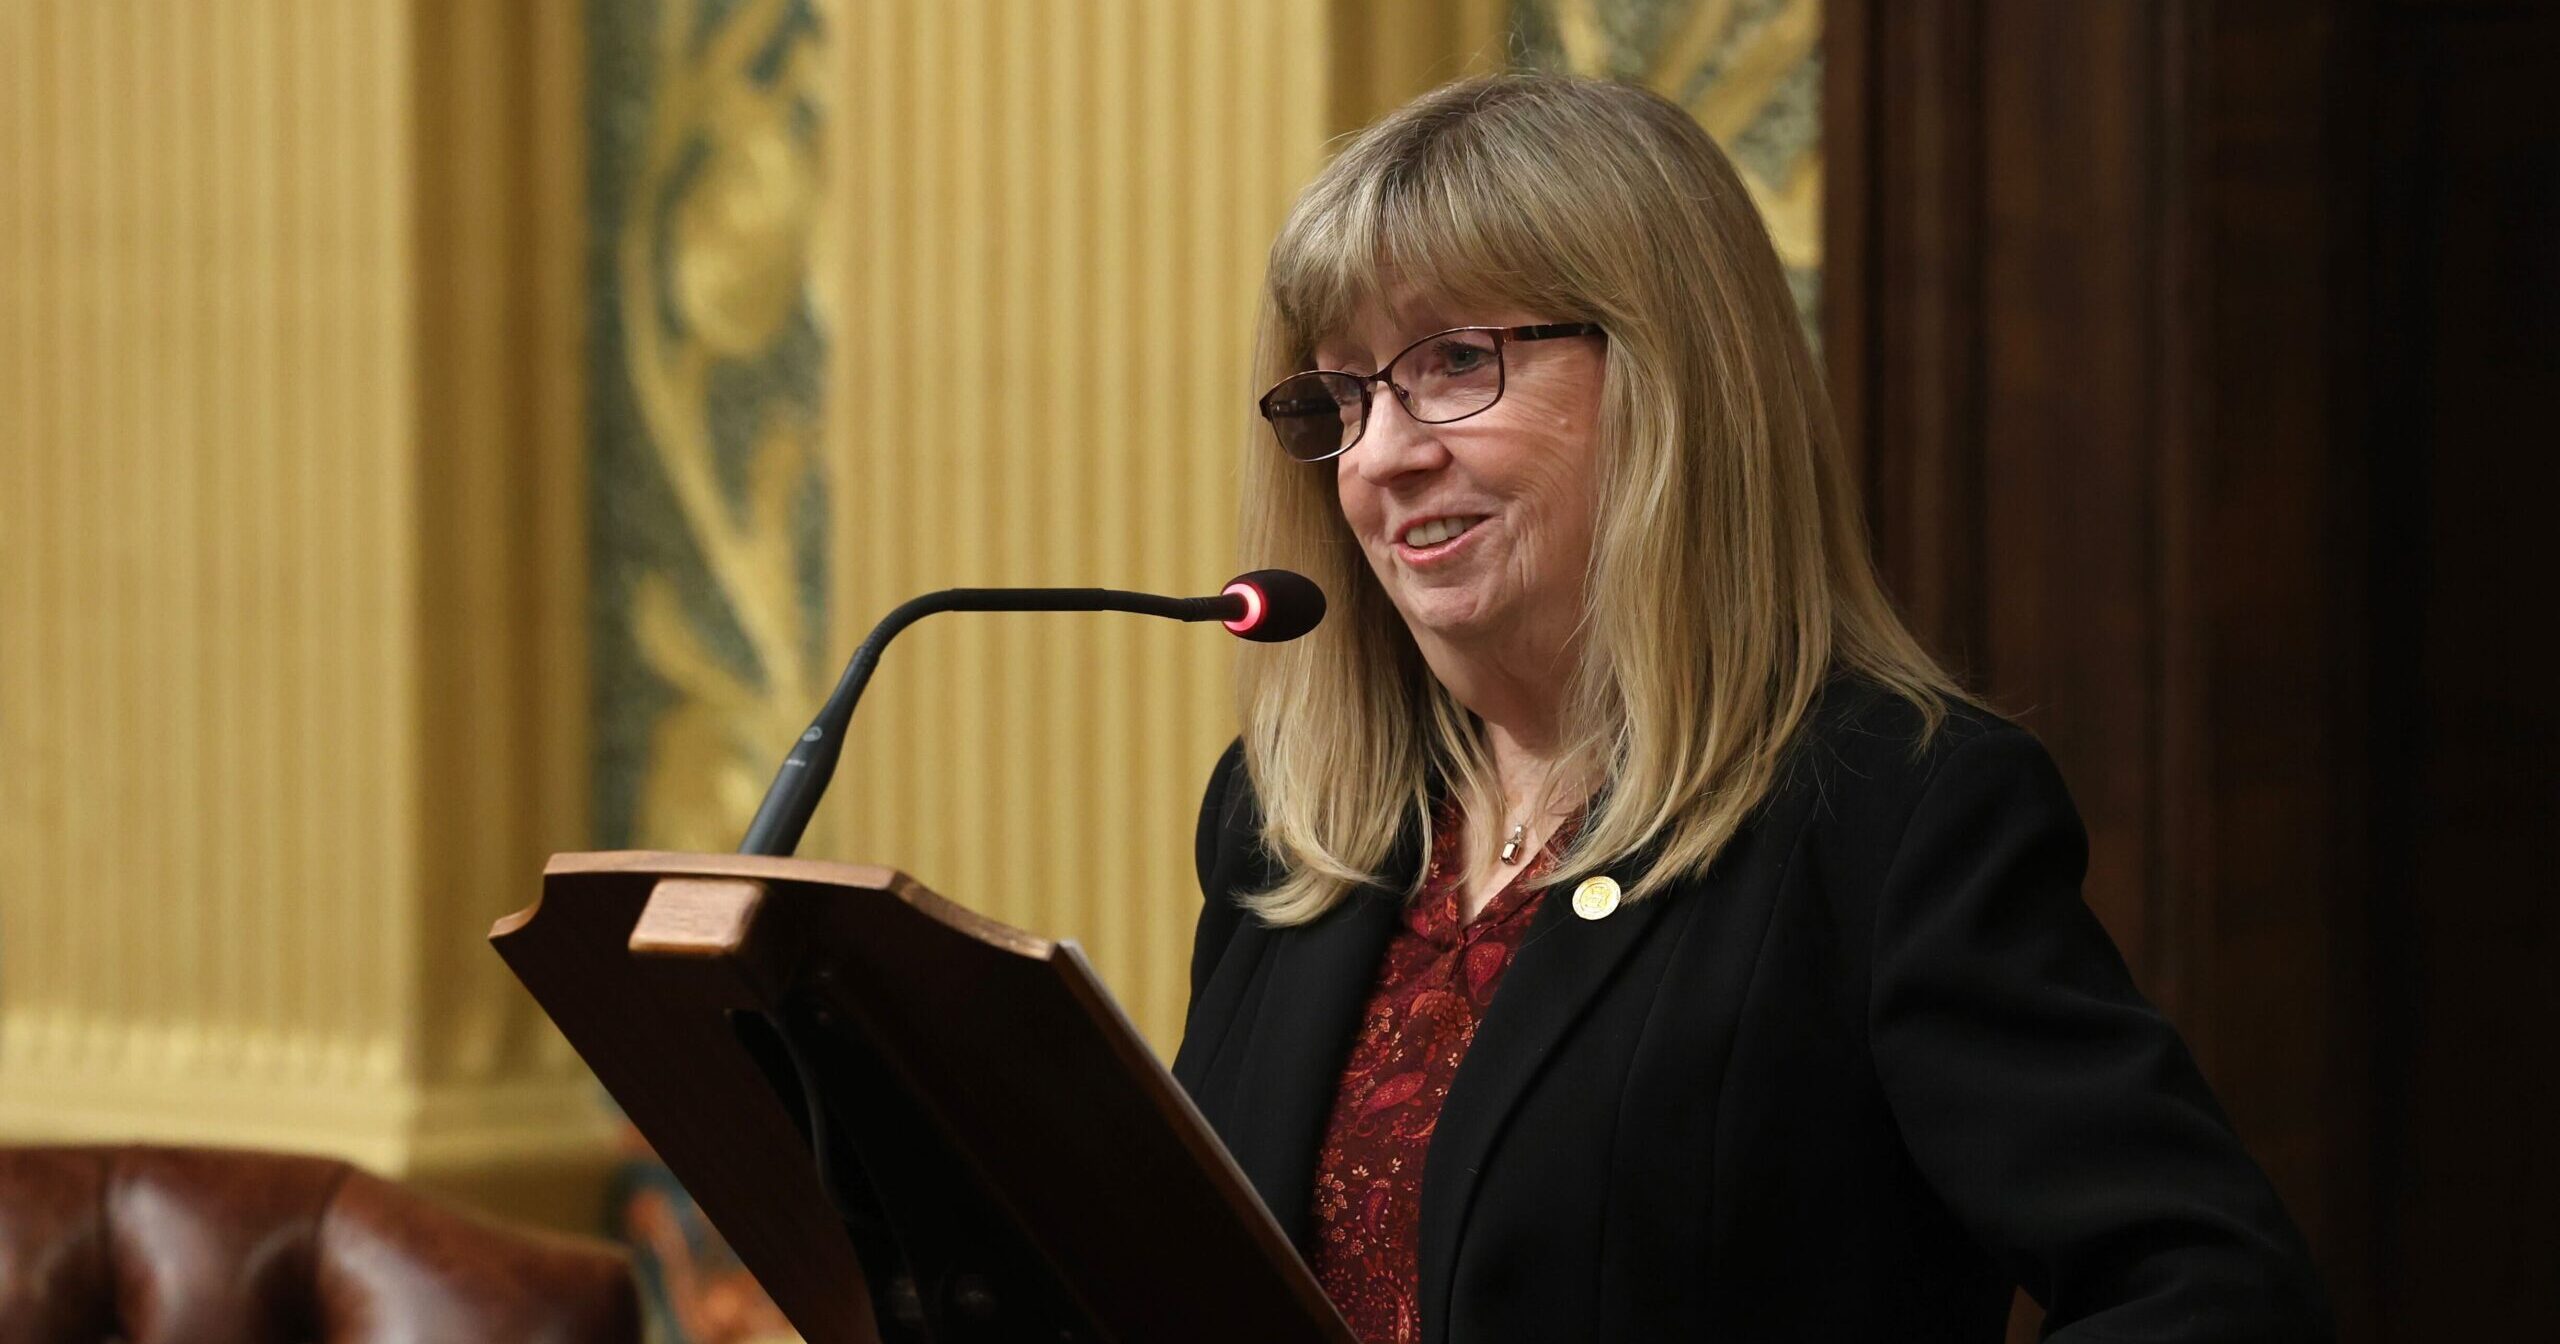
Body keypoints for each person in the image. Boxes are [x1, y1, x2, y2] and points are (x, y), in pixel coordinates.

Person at [1170, 73, 2331, 1344]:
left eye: (1454, 361)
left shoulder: (1891, 815)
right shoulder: (1291, 819)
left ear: (1672, 372)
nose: (1383, 453)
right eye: (1341, 396)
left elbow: (2215, 1296)